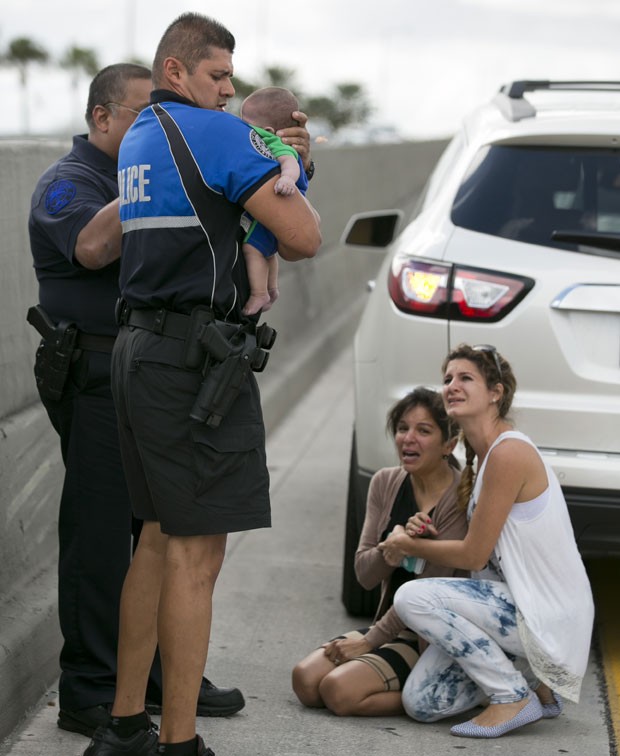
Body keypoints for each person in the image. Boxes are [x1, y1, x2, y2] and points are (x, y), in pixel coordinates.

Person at [85, 13, 321, 756]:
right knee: (196, 554)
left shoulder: (142, 138)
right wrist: (294, 163)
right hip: (191, 364)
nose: (229, 89)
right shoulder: (215, 132)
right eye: (218, 76)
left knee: (154, 542)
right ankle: (179, 744)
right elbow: (305, 237)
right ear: (176, 71)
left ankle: (125, 726)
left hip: (137, 349)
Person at [26, 62, 265, 737]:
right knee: (102, 540)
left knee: (159, 537)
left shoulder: (149, 160)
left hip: (154, 375)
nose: (156, 129)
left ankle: (156, 675)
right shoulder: (68, 184)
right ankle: (91, 690)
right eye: (141, 117)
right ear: (101, 118)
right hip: (97, 374)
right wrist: (159, 178)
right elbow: (90, 246)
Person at [390, 344, 594, 739]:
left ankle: (511, 695)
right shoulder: (484, 459)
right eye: (448, 378)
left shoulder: (509, 453)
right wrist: (432, 539)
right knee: (422, 702)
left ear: (496, 392)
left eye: (465, 378)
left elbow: (474, 553)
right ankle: (533, 682)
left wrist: (407, 545)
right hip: (513, 608)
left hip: (544, 615)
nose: (451, 385)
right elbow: (490, 554)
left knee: (412, 598)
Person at [292, 387, 468, 716]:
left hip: (429, 637)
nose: (408, 439)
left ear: (449, 444)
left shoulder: (458, 498)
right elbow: (364, 574)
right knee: (305, 681)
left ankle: (452, 693)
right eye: (402, 428)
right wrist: (393, 549)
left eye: (424, 430)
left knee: (338, 691)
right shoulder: (385, 482)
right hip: (389, 628)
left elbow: (426, 594)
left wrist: (369, 642)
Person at [238, 87, 309, 315]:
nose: (242, 127)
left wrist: (287, 179)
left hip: (284, 198)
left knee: (252, 248)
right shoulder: (263, 137)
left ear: (267, 129)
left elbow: (289, 160)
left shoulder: (269, 140)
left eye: (246, 123)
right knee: (267, 249)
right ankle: (272, 288)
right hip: (284, 204)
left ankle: (260, 294)